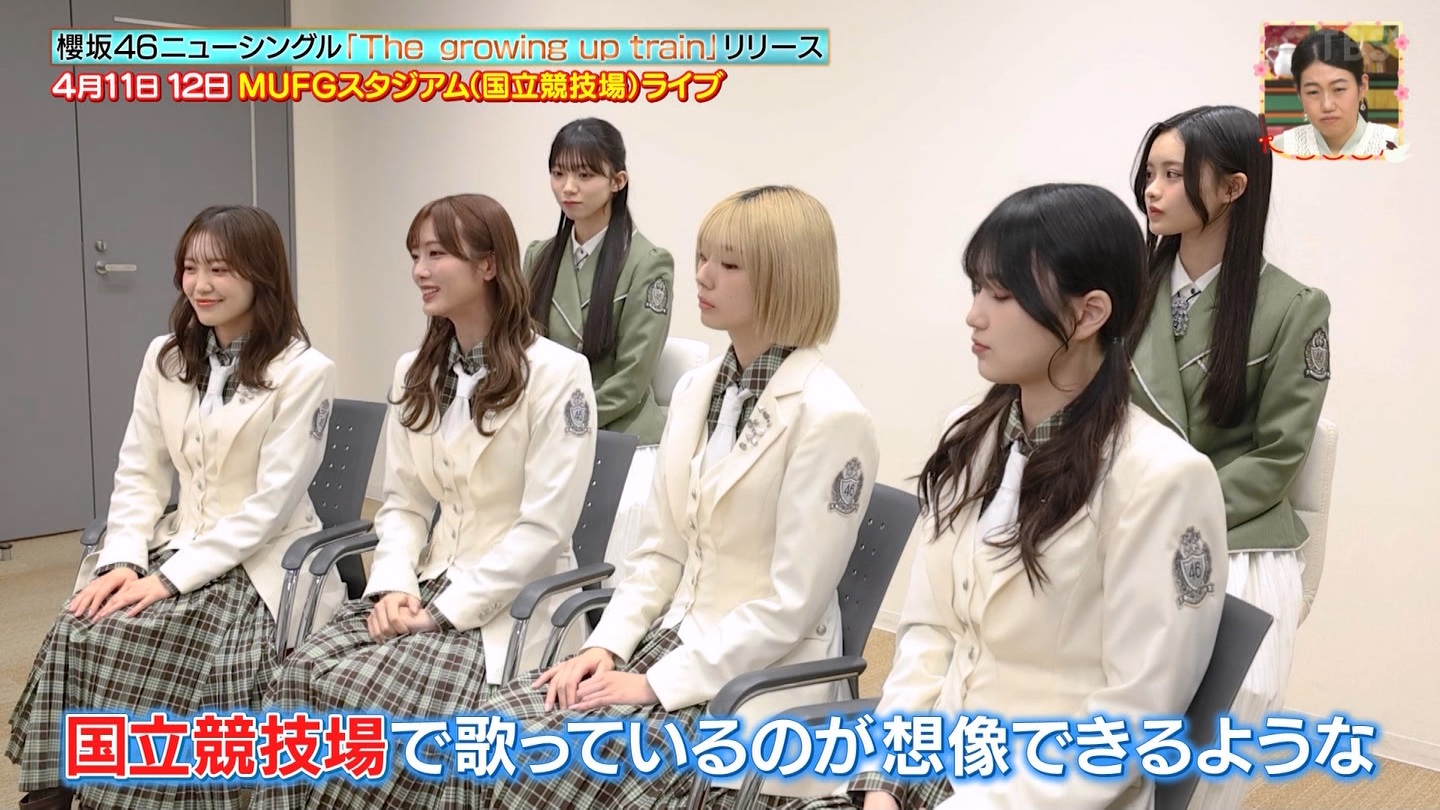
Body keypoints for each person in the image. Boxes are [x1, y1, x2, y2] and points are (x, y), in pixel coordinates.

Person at [472, 184, 880, 808]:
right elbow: (659, 553)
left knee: (548, 778)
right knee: (493, 733)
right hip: (672, 637)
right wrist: (605, 645)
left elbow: (790, 606)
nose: (702, 275)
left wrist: (654, 683)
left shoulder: (831, 417)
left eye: (729, 263)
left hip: (751, 676)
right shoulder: (696, 389)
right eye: (702, 257)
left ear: (787, 279)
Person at [251, 193, 598, 809]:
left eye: (437, 254)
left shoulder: (558, 373)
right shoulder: (416, 370)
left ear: (488, 265)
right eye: (415, 255)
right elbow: (403, 505)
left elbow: (543, 531)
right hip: (426, 585)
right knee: (301, 673)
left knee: (381, 703)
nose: (419, 270)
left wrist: (438, 614)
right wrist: (392, 587)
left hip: (510, 605)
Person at [7, 205, 340, 810]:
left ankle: (135, 794)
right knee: (81, 623)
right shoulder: (166, 356)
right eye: (190, 268)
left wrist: (166, 581)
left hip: (257, 560)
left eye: (220, 269)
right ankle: (54, 790)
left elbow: (269, 508)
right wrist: (123, 561)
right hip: (177, 540)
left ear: (261, 275)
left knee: (164, 639)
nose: (200, 285)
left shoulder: (303, 370)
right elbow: (138, 471)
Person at [1131, 105, 1332, 808]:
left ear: (1233, 187)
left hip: (1233, 529)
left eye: (1174, 174)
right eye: (1150, 173)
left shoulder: (1293, 307)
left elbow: (1278, 456)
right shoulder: (1124, 293)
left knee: (1228, 698)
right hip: (1122, 513)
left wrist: (1173, 511)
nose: (1152, 190)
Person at [524, 118, 676, 584]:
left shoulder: (647, 262)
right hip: (545, 428)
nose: (568, 187)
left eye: (585, 174)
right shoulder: (538, 257)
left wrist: (563, 424)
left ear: (617, 181)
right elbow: (523, 353)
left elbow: (631, 380)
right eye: (558, 173)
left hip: (617, 433)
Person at [1271, 28, 1400, 157]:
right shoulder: (1280, 149)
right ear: (1299, 93)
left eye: (1339, 89)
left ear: (1362, 87)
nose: (1327, 106)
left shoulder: (1394, 145)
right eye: (1313, 92)